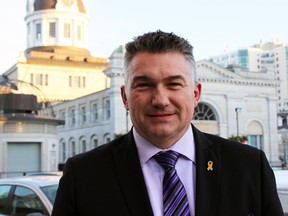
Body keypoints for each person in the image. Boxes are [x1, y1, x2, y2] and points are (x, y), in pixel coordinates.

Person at [52, 30, 284, 216]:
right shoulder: (83, 176)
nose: (161, 100)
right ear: (125, 97)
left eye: (174, 84)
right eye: (144, 85)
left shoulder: (249, 167)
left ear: (195, 94)